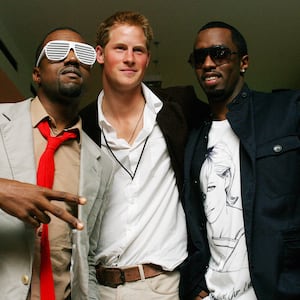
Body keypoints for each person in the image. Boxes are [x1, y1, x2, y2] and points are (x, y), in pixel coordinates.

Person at [80, 11, 209, 300]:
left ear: (147, 59)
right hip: (96, 287)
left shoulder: (178, 109)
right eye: (120, 48)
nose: (130, 58)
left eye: (138, 50)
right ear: (100, 54)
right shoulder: (83, 126)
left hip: (162, 286)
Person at [180, 21, 300, 300]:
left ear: (243, 62)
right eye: (200, 58)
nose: (209, 63)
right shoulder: (195, 137)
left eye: (219, 53)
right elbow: (193, 222)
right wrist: (196, 282)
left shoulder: (285, 112)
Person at [0, 27, 114, 300]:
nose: (72, 59)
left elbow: (86, 255)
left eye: (83, 54)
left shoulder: (101, 165)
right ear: (36, 74)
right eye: (57, 51)